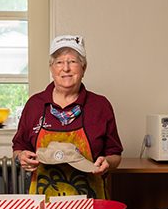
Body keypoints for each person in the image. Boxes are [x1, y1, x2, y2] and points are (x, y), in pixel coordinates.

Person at [12, 35, 123, 200]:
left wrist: (107, 162)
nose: (66, 68)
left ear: (83, 68)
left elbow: (115, 154)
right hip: (44, 205)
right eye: (59, 62)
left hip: (91, 204)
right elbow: (18, 147)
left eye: (72, 61)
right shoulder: (34, 105)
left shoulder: (100, 106)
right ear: (51, 69)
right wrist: (20, 158)